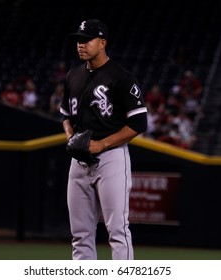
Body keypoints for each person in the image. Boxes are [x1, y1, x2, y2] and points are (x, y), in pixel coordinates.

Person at [60, 19, 147, 260]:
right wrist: (70, 138)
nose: (80, 45)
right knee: (80, 235)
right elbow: (65, 115)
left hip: (111, 158)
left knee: (117, 230)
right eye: (78, 40)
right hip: (79, 161)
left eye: (86, 40)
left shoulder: (122, 77)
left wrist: (102, 144)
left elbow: (138, 123)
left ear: (102, 43)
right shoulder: (73, 75)